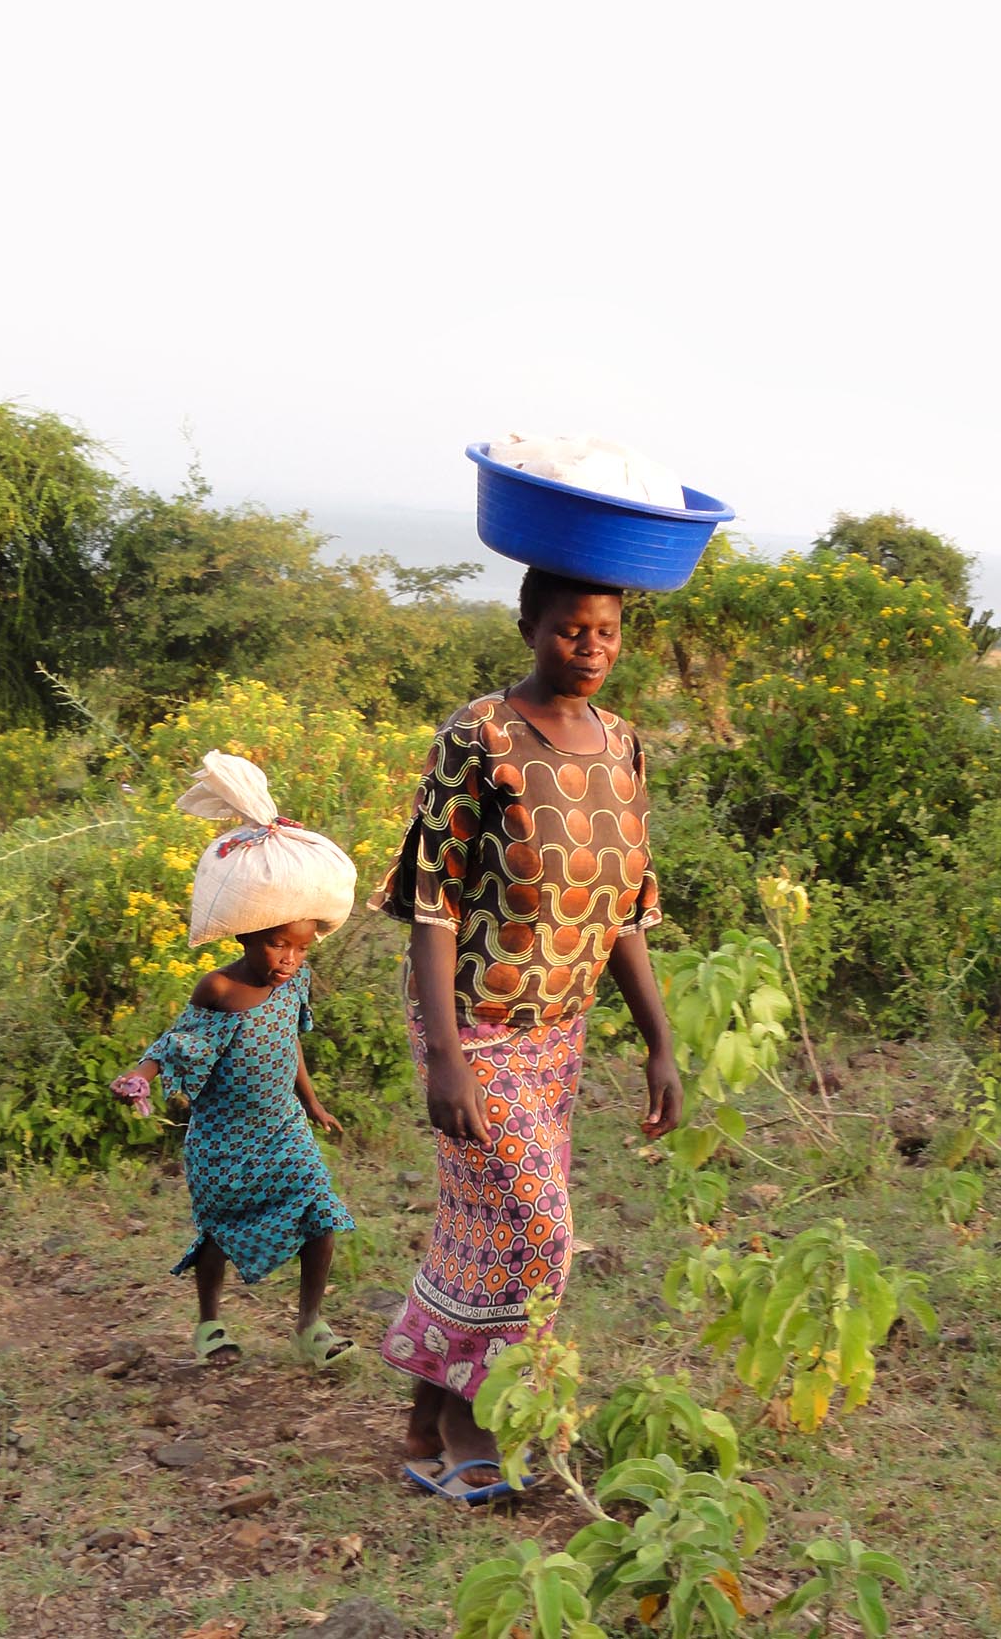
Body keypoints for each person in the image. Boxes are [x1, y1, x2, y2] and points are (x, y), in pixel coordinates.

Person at [370, 566, 684, 1501]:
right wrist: (446, 1057)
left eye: (606, 632)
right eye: (569, 631)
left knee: (486, 1229)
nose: (590, 649)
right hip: (477, 1025)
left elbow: (624, 911)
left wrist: (661, 1043)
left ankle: (426, 1421)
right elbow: (430, 910)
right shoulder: (480, 737)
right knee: (539, 1229)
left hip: (559, 1030)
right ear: (528, 627)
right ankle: (474, 1421)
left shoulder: (623, 745)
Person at [111, 750, 360, 1368]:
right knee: (219, 1230)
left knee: (321, 1213)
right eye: (277, 944)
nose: (287, 959)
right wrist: (140, 1077)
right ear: (246, 932)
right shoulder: (218, 990)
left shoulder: (293, 983)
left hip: (282, 1128)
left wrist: (312, 1102)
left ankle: (310, 1327)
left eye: (299, 949)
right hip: (223, 1138)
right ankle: (209, 1325)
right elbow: (177, 1043)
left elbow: (289, 1042)